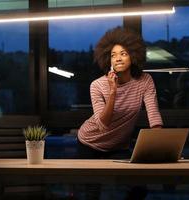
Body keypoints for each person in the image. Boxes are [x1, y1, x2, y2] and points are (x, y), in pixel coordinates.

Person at [76, 26, 163, 199]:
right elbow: (103, 124)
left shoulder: (145, 81)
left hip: (118, 145)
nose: (118, 58)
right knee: (91, 193)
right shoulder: (97, 85)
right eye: (113, 55)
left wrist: (160, 146)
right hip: (89, 142)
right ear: (107, 59)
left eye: (123, 53)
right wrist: (113, 91)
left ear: (133, 55)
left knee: (138, 188)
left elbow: (153, 115)